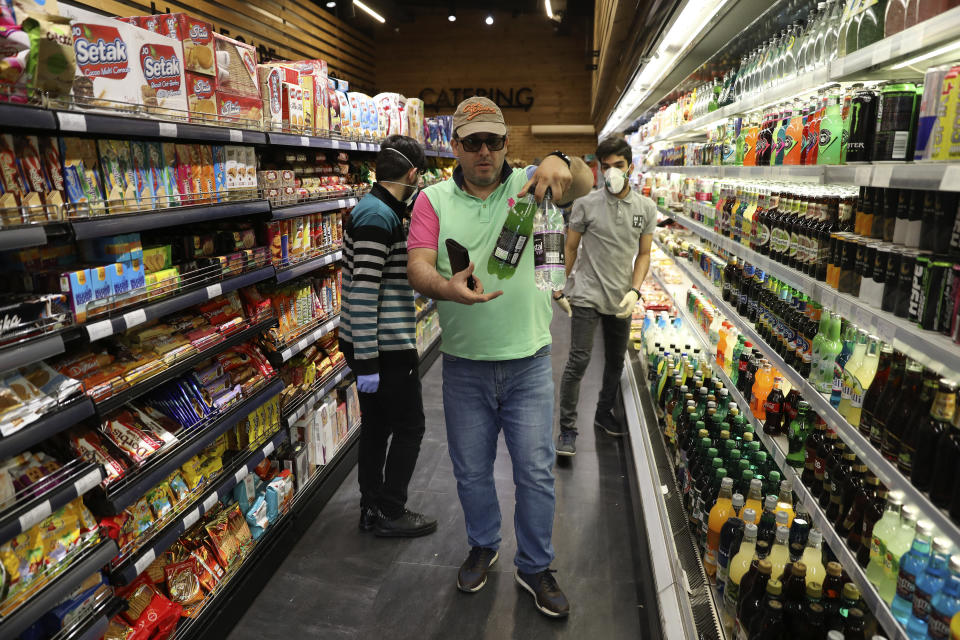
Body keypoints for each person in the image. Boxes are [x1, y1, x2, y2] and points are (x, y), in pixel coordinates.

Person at [407, 97, 593, 618]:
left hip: (530, 362)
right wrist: (445, 286)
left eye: (493, 140)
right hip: (463, 365)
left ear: (507, 144)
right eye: (472, 142)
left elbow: (581, 183)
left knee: (535, 472)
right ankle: (483, 544)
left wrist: (560, 158)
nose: (484, 151)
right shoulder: (432, 201)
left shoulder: (529, 185)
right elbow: (418, 267)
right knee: (470, 471)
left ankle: (535, 566)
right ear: (455, 146)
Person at [339, 135, 438, 538]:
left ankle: (371, 508)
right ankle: (390, 510)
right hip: (383, 345)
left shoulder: (380, 210)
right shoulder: (376, 217)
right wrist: (368, 362)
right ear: (413, 174)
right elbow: (364, 293)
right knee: (410, 426)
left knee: (378, 426)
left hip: (376, 344)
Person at [553, 137, 656, 457]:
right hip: (585, 293)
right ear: (598, 169)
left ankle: (602, 413)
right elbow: (570, 247)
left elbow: (644, 254)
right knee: (578, 361)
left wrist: (635, 291)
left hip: (620, 297)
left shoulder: (646, 208)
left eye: (619, 166)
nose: (612, 172)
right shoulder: (585, 204)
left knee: (615, 362)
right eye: (606, 167)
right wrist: (559, 285)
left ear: (631, 167)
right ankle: (568, 429)